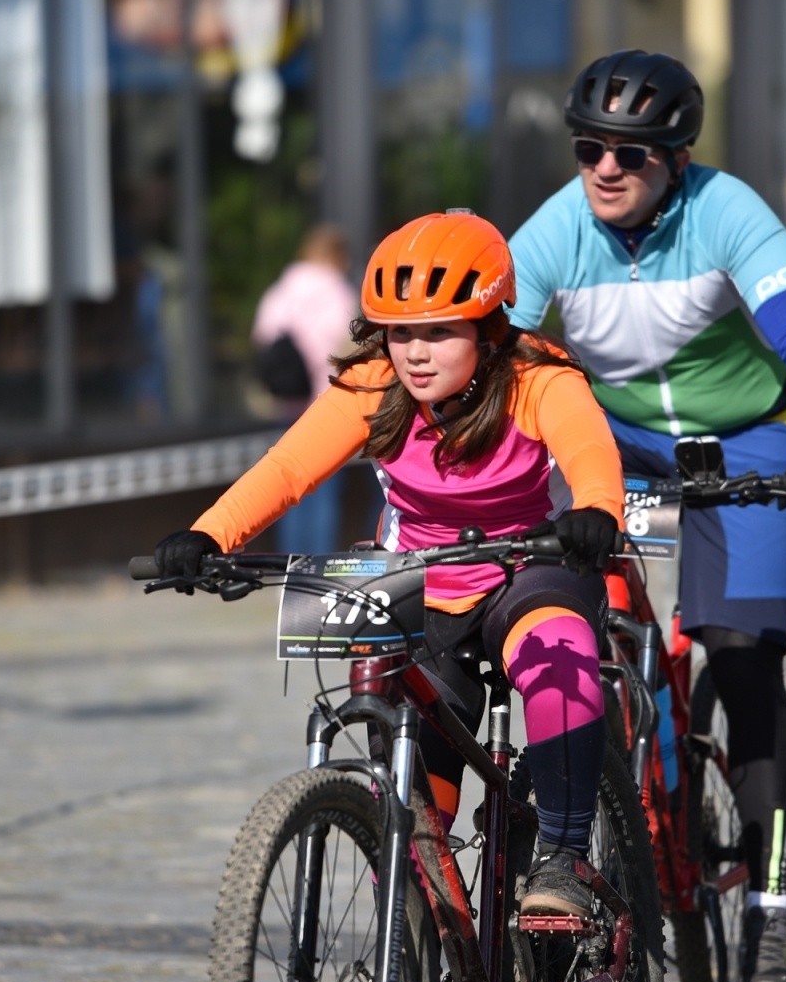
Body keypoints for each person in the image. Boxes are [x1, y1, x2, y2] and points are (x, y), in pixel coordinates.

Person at [506, 49, 786, 982]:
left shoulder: (727, 212)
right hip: (614, 441)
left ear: (679, 158)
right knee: (550, 601)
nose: (606, 170)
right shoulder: (551, 235)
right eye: (589, 150)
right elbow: (491, 368)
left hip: (744, 440)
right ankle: (598, 805)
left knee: (743, 657)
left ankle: (770, 905)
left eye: (633, 153)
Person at [155, 211, 629, 915]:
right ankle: (418, 933)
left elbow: (591, 452)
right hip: (422, 582)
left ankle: (563, 860)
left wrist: (596, 510)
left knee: (561, 653)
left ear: (488, 329)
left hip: (531, 566)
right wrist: (210, 534)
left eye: (439, 331)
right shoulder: (375, 385)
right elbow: (289, 468)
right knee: (404, 749)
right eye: (400, 332)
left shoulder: (536, 375)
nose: (416, 352)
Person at [250, 225, 362, 554]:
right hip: (326, 404)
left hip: (287, 404)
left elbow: (263, 335)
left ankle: (291, 567)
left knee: (287, 486)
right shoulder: (337, 292)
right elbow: (348, 346)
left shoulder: (281, 290)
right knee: (323, 490)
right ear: (335, 256)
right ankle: (317, 568)